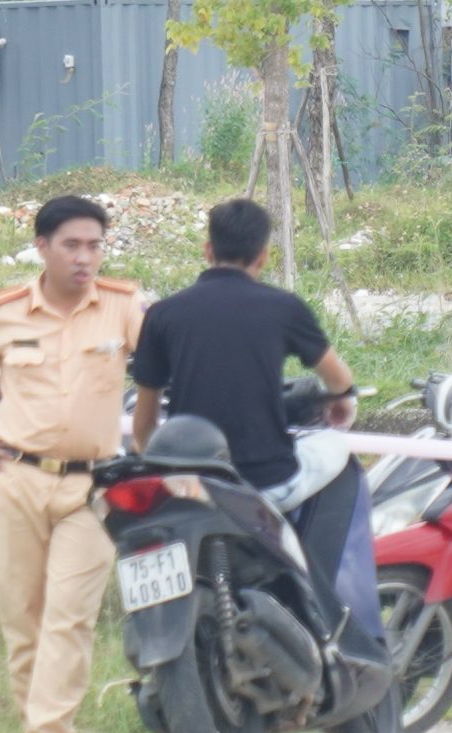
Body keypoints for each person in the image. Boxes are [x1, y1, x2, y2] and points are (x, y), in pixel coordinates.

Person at [0, 196, 142, 733]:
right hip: (16, 478)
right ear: (42, 246)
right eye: (72, 245)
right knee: (21, 616)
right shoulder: (3, 312)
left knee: (69, 615)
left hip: (91, 487)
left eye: (95, 245)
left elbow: (162, 365)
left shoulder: (124, 308)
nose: (85, 257)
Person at [129, 199, 381, 653]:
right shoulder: (283, 308)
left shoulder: (163, 315)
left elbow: (145, 423)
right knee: (336, 452)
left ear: (207, 249)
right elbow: (340, 381)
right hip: (268, 484)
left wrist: (161, 467)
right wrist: (340, 406)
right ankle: (327, 596)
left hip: (194, 486)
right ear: (264, 255)